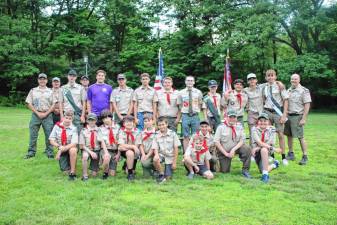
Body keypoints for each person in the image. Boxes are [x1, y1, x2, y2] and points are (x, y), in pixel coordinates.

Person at [24, 73, 55, 159]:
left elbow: (53, 105)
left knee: (49, 134)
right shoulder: (33, 91)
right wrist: (38, 113)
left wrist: (45, 113)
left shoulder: (50, 91)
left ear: (46, 80)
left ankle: (50, 152)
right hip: (35, 115)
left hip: (47, 115)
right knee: (33, 134)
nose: (42, 80)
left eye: (44, 79)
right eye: (40, 79)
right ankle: (31, 152)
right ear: (38, 80)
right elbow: (28, 103)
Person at [214, 109, 252, 178]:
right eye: (230, 117)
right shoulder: (220, 127)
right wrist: (226, 154)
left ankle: (245, 170)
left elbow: (242, 140)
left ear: (236, 118)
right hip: (224, 151)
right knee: (224, 171)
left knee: (247, 148)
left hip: (236, 148)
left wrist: (233, 150)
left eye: (234, 117)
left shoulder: (240, 126)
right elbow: (216, 142)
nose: (232, 119)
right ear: (226, 117)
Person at [262, 69, 289, 165]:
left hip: (278, 113)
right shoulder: (264, 87)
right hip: (267, 112)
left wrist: (284, 114)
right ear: (266, 77)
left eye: (272, 75)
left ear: (275, 77)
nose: (270, 77)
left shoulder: (280, 86)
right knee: (269, 134)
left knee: (280, 135)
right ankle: (271, 155)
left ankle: (283, 156)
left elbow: (286, 100)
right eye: (268, 75)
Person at [284, 74, 312, 165]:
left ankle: (305, 156)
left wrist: (304, 118)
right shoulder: (288, 90)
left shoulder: (304, 91)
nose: (293, 80)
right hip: (289, 116)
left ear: (299, 80)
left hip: (298, 116)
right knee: (289, 135)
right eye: (292, 79)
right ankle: (291, 153)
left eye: (295, 79)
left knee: (300, 137)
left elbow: (307, 105)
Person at [251, 112, 281, 183]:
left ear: (268, 121)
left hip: (268, 150)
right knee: (263, 169)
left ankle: (265, 175)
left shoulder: (272, 129)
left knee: (264, 149)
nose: (263, 122)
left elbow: (271, 142)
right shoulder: (254, 129)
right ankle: (275, 164)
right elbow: (259, 142)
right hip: (257, 153)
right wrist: (274, 149)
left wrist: (259, 147)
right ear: (258, 121)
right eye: (261, 121)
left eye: (265, 121)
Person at [49, 110, 78, 180]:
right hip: (61, 147)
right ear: (63, 117)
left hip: (69, 147)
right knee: (64, 172)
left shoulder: (74, 128)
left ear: (72, 119)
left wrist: (60, 151)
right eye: (66, 118)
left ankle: (72, 172)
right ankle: (68, 166)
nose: (68, 120)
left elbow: (74, 143)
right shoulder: (57, 126)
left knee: (73, 150)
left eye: (70, 118)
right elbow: (51, 140)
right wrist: (59, 147)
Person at [80, 113, 110, 181]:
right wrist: (91, 152)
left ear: (96, 121)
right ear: (87, 121)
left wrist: (106, 152)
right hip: (87, 150)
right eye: (90, 120)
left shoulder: (99, 130)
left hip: (97, 150)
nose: (91, 122)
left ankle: (100, 171)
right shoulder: (83, 131)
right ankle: (85, 175)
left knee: (94, 174)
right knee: (85, 156)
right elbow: (82, 145)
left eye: (93, 120)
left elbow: (102, 141)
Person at [177, 76, 203, 151]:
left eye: (191, 81)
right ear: (185, 82)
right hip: (185, 115)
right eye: (188, 80)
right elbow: (179, 105)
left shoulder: (198, 92)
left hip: (195, 116)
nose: (190, 82)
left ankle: (195, 152)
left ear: (194, 82)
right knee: (186, 135)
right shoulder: (181, 92)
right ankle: (186, 153)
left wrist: (196, 110)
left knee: (196, 135)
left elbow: (200, 103)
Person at [152, 117, 181, 183]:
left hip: (170, 156)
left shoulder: (173, 134)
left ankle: (166, 173)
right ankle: (161, 174)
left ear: (167, 124)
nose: (161, 126)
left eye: (163, 124)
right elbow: (155, 147)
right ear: (157, 126)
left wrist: (174, 162)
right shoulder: (156, 134)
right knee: (155, 159)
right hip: (161, 155)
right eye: (159, 125)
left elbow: (176, 149)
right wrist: (156, 155)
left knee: (168, 177)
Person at [59, 69, 86, 133]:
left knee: (79, 134)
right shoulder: (63, 88)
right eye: (70, 75)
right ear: (68, 76)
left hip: (77, 115)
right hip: (66, 115)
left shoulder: (81, 88)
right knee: (66, 134)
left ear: (76, 77)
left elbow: (84, 103)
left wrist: (82, 116)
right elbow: (60, 103)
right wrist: (61, 116)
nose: (72, 77)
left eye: (73, 76)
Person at [118, 115, 141, 181]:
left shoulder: (138, 132)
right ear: (123, 124)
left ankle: (127, 165)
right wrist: (132, 146)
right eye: (127, 122)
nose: (129, 123)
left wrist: (124, 147)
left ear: (133, 123)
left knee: (130, 153)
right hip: (125, 151)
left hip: (134, 152)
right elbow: (121, 144)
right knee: (130, 153)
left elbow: (137, 146)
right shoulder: (121, 131)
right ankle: (130, 174)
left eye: (131, 121)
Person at [98, 110, 120, 178]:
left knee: (112, 174)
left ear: (111, 117)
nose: (106, 120)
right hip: (105, 149)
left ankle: (110, 169)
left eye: (108, 117)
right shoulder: (100, 128)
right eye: (104, 118)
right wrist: (106, 153)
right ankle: (105, 174)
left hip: (115, 151)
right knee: (107, 158)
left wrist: (118, 154)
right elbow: (102, 142)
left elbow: (120, 142)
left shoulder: (117, 127)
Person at [243, 73, 264, 146]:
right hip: (251, 113)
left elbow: (272, 82)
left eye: (253, 79)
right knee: (252, 133)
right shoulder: (245, 90)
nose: (252, 80)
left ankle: (262, 150)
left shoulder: (262, 87)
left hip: (261, 114)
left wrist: (279, 83)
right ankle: (252, 152)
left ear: (256, 80)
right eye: (250, 79)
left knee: (262, 132)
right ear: (248, 81)